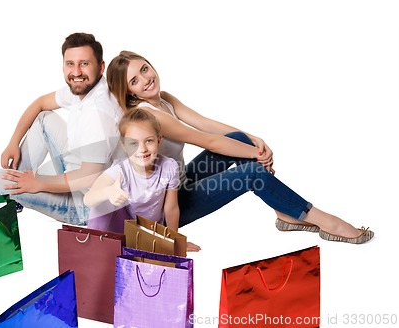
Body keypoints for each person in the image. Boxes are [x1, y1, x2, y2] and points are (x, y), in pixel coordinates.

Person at [105, 50, 374, 244]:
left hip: (180, 182)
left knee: (238, 139)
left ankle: (285, 213)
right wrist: (258, 156)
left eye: (144, 69)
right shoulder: (151, 115)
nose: (145, 79)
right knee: (252, 174)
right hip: (168, 207)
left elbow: (205, 124)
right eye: (134, 81)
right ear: (130, 92)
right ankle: (323, 220)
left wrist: (252, 138)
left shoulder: (163, 99)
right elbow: (205, 140)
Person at [0, 33, 123, 225]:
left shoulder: (98, 113)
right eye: (70, 64)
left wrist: (38, 183)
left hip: (87, 206)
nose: (76, 72)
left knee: (2, 180)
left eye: (84, 63)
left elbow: (88, 178)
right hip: (80, 171)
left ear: (101, 67)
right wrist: (13, 142)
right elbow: (40, 104)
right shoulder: (86, 86)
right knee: (44, 120)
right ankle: (14, 193)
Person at [83, 108, 201, 251]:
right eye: (133, 143)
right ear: (124, 145)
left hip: (151, 231)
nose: (142, 149)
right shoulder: (121, 170)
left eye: (149, 141)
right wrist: (109, 192)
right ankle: (94, 249)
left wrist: (175, 241)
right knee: (100, 203)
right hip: (125, 229)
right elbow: (88, 199)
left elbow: (171, 208)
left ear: (159, 140)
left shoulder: (169, 167)